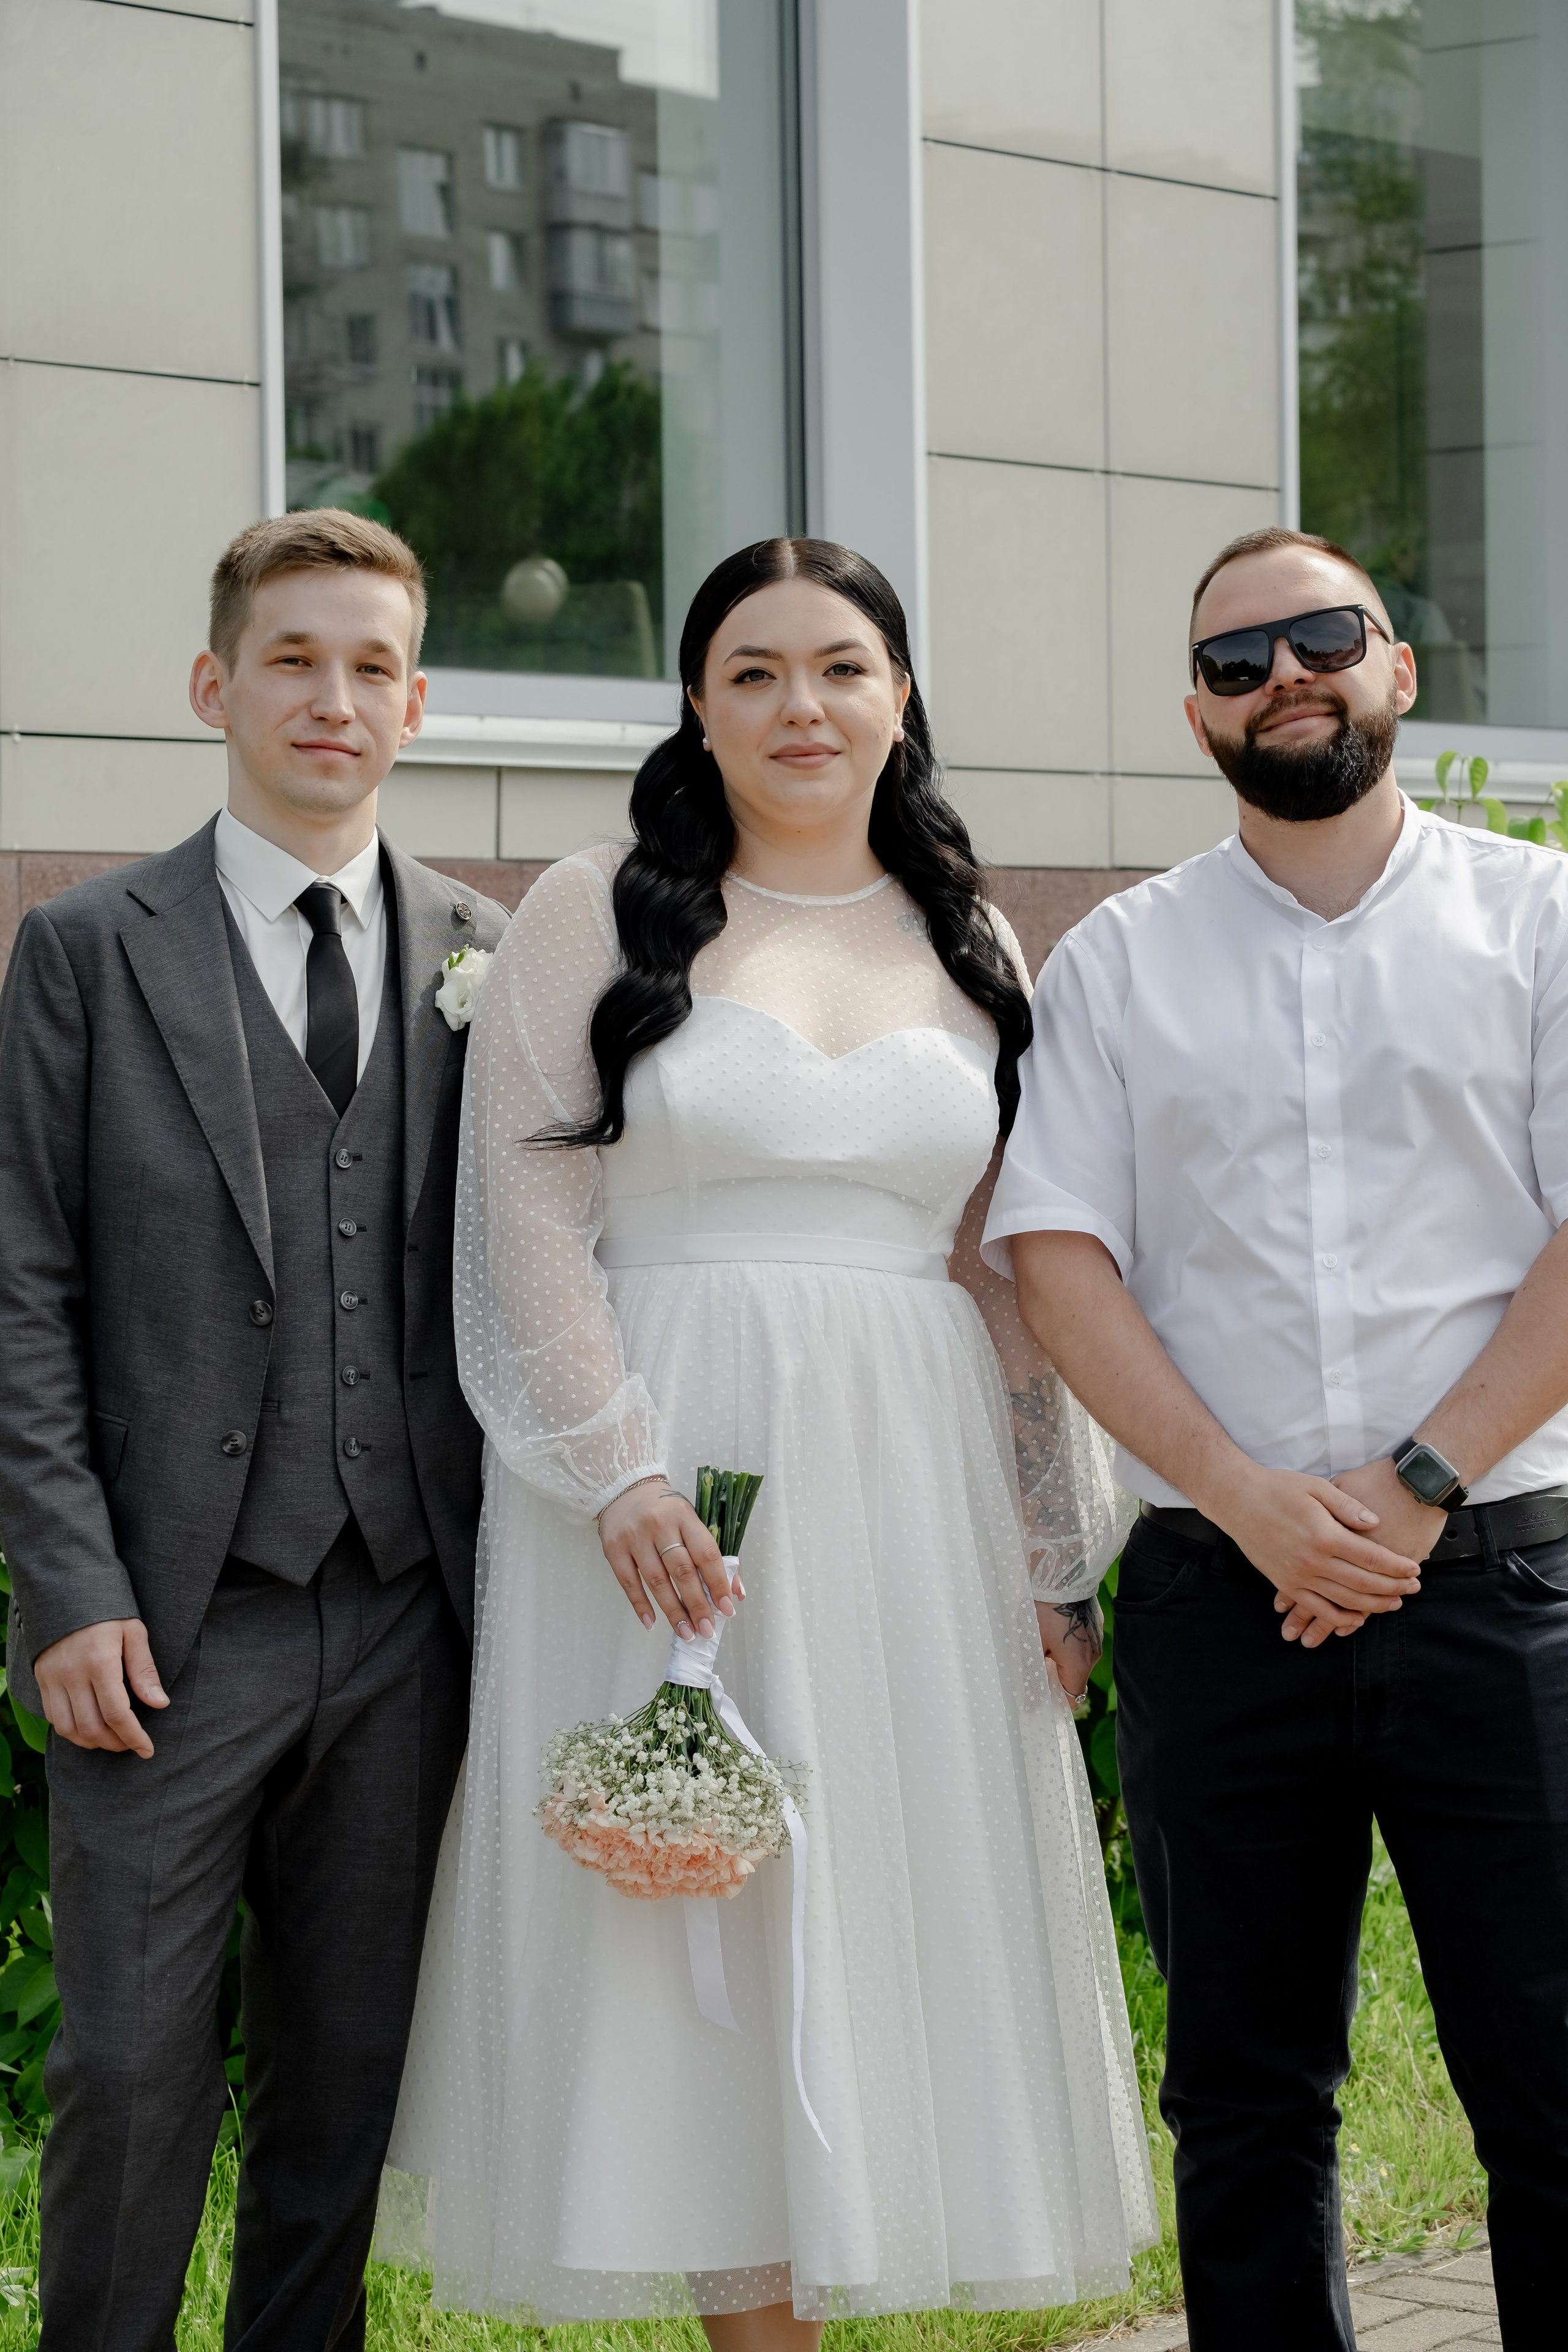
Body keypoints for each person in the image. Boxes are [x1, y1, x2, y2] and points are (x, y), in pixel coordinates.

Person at [380, 538, 1157, 2340]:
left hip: (914, 1479)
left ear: (899, 696)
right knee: (693, 1909)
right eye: (752, 672)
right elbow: (523, 1218)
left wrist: (1051, 1552)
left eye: (838, 668)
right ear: (698, 706)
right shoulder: (596, 906)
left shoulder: (970, 928)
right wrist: (618, 1467)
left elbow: (1001, 1268)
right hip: (670, 1466)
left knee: (883, 1895)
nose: (799, 705)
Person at [984, 524, 1568, 2351]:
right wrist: (1252, 1510)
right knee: (1242, 2106)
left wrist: (1407, 1494)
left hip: (1502, 1588)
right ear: (1197, 716)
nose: (1285, 675)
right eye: (1240, 661)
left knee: (1552, 2088)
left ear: (1396, 667)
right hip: (1216, 1609)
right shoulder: (1120, 964)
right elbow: (1058, 1261)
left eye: (1323, 637)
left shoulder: (1540, 919)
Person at [0, 510, 508, 2350]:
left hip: (405, 1614)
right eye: (294, 658)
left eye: (372, 665)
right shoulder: (83, 951)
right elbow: (22, 1288)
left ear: (418, 703)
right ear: (215, 685)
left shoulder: (485, 953)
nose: (333, 697)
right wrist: (65, 1585)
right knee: (131, 2077)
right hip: (163, 1621)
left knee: (341, 2093)